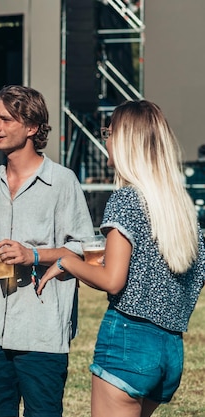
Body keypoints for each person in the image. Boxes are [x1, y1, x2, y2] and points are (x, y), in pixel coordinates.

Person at [37, 100, 205, 417]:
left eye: (109, 132)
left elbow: (114, 282)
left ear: (128, 140)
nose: (106, 140)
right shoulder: (183, 212)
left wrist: (66, 262)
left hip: (129, 343)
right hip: (170, 353)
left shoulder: (126, 199)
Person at [0, 85, 95, 417]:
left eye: (6, 119)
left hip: (43, 333)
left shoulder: (62, 182)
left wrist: (32, 255)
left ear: (32, 127)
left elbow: (84, 246)